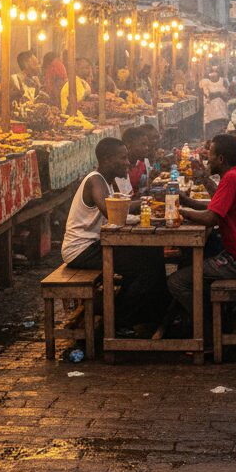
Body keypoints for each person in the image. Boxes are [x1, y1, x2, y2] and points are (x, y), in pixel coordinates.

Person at [62, 137, 167, 334]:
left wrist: (147, 202)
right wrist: (149, 201)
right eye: (123, 158)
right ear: (108, 159)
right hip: (81, 250)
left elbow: (124, 208)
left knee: (152, 254)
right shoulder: (95, 180)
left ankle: (150, 313)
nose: (128, 162)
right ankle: (119, 316)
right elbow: (113, 212)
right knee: (147, 266)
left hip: (97, 245)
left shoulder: (109, 182)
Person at [170, 134, 236, 322]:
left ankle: (209, 329)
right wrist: (187, 201)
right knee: (190, 265)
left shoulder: (232, 178)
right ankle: (212, 320)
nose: (208, 158)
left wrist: (179, 212)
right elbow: (217, 205)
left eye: (211, 155)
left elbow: (210, 217)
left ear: (221, 159)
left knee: (177, 281)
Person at [123, 125, 156, 193]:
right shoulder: (121, 169)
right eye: (143, 144)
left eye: (147, 145)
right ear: (129, 145)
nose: (147, 148)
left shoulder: (143, 163)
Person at [199, 65, 229, 140]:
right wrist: (219, 94)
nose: (214, 73)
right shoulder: (204, 82)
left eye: (216, 71)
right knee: (211, 138)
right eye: (212, 71)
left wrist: (218, 95)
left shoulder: (224, 81)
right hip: (210, 114)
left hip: (222, 113)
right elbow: (207, 96)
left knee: (221, 136)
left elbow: (227, 97)